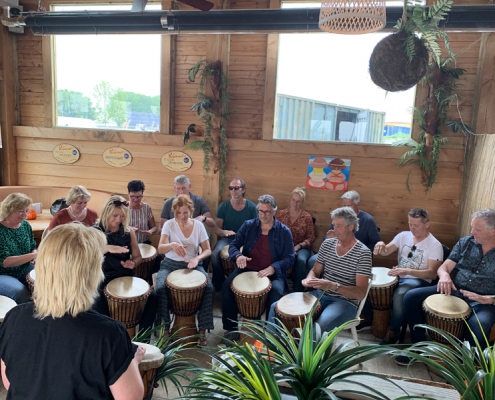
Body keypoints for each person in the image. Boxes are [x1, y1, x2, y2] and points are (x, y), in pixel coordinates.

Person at [0, 223, 145, 399]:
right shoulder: (109, 333)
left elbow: (9, 382)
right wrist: (133, 361)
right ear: (91, 273)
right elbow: (130, 397)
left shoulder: (14, 318)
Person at [397, 209, 495, 364]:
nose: (472, 232)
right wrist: (444, 276)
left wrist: (489, 299)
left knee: (480, 324)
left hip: (483, 301)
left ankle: (470, 365)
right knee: (411, 297)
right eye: (472, 227)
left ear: (492, 231)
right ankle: (419, 346)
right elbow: (444, 267)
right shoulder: (466, 242)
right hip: (453, 290)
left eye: (477, 229)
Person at [268, 207, 372, 335]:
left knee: (316, 329)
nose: (334, 230)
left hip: (345, 303)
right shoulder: (328, 244)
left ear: (351, 227)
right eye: (334, 225)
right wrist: (310, 278)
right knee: (276, 308)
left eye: (339, 226)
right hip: (320, 295)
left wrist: (333, 286)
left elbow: (360, 293)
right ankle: (272, 351)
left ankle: (303, 355)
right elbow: (315, 270)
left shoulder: (363, 253)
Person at [222, 194, 294, 342]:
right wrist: (238, 256)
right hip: (248, 269)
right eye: (260, 211)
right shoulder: (248, 225)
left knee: (275, 293)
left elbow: (290, 258)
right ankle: (230, 329)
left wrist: (274, 267)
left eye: (267, 211)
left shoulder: (284, 231)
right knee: (227, 286)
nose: (263, 214)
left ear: (274, 211)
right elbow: (234, 245)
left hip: (272, 273)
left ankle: (269, 335)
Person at [370, 207, 443, 345]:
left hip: (419, 281)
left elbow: (432, 274)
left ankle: (393, 331)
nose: (412, 228)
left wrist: (407, 271)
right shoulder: (403, 235)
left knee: (400, 294)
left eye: (416, 225)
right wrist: (380, 244)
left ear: (427, 224)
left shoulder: (434, 245)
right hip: (399, 275)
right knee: (371, 283)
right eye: (410, 224)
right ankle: (369, 320)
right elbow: (386, 251)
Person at [156, 194, 214, 347]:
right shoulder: (169, 224)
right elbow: (160, 248)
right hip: (169, 264)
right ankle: (165, 331)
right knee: (160, 288)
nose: (182, 216)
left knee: (209, 288)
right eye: (179, 213)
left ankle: (202, 332)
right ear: (174, 212)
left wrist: (197, 259)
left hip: (192, 265)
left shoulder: (198, 225)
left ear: (191, 211)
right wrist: (172, 245)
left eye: (185, 212)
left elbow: (208, 250)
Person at [93, 195, 157, 333]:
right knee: (97, 302)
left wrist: (133, 263)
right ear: (106, 212)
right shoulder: (95, 231)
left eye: (122, 216)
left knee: (152, 297)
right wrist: (107, 248)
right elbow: (86, 255)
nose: (118, 220)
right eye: (115, 215)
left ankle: (143, 338)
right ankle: (109, 337)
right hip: (101, 278)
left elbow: (138, 257)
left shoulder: (128, 232)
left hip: (124, 276)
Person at [307, 190, 380, 269]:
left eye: (348, 206)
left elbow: (375, 242)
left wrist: (360, 254)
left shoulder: (368, 220)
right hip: (336, 251)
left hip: (356, 255)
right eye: (344, 205)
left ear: (358, 204)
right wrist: (328, 238)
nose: (346, 209)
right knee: (312, 261)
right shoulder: (339, 216)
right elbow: (327, 236)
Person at [210, 178, 258, 291]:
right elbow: (217, 230)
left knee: (252, 255)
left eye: (236, 188)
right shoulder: (224, 206)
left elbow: (256, 229)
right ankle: (220, 285)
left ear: (243, 190)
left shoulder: (252, 207)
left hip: (246, 241)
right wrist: (224, 232)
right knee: (214, 254)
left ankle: (245, 285)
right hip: (228, 239)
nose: (233, 190)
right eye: (231, 188)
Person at [276, 187, 315, 292]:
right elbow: (275, 232)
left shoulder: (307, 217)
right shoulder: (281, 214)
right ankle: (280, 287)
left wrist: (298, 247)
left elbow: (311, 237)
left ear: (302, 202)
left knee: (301, 260)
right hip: (283, 245)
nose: (295, 203)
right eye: (293, 200)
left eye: (298, 201)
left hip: (302, 246)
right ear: (290, 199)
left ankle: (298, 291)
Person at [0, 193, 37, 304]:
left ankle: (44, 317)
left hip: (24, 268)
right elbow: (5, 262)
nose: (24, 215)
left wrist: (34, 255)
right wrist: (33, 255)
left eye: (26, 211)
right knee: (20, 293)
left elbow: (33, 247)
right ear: (9, 209)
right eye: (20, 211)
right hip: (3, 273)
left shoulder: (25, 225)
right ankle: (22, 319)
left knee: (46, 283)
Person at [127, 180, 158, 245]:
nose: (136, 199)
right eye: (132, 196)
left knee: (158, 255)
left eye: (138, 196)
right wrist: (128, 230)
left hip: (144, 243)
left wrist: (150, 231)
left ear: (142, 194)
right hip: (127, 243)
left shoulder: (146, 207)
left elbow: (154, 227)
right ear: (128, 193)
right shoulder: (123, 208)